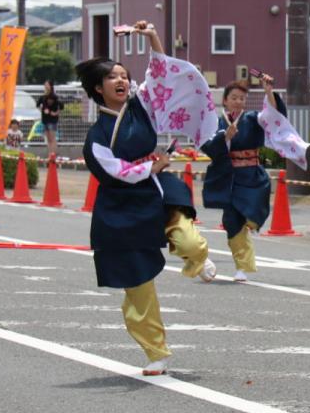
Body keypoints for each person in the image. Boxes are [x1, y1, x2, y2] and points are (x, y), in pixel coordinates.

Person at [78, 20, 216, 376]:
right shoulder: (96, 135)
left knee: (190, 241)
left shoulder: (141, 105)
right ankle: (155, 351)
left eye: (124, 75)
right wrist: (148, 169)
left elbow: (162, 74)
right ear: (98, 88)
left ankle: (196, 261)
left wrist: (152, 35)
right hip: (121, 208)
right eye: (113, 77)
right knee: (138, 286)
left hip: (157, 191)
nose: (122, 80)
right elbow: (110, 171)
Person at [201, 75, 289, 283]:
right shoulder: (216, 122)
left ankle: (254, 224)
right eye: (234, 98)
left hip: (252, 176)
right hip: (229, 177)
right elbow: (207, 146)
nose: (238, 101)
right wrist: (225, 138)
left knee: (252, 212)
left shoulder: (252, 119)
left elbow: (274, 116)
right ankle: (242, 266)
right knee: (232, 221)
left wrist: (268, 91)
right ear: (225, 100)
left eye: (242, 98)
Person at [36, 79, 64, 156]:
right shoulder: (43, 97)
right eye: (45, 85)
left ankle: (53, 155)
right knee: (48, 139)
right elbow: (38, 105)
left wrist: (55, 113)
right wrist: (42, 109)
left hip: (52, 120)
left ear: (51, 86)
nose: (45, 86)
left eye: (47, 84)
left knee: (52, 138)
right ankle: (50, 155)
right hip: (45, 119)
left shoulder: (54, 96)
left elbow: (61, 106)